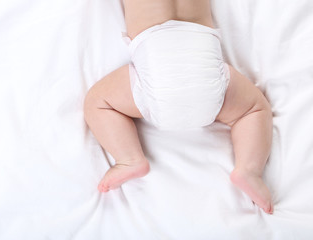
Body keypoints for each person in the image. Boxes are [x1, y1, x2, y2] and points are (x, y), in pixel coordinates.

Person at [84, 0, 274, 214]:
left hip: (158, 71)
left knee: (97, 102)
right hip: (204, 68)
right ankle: (249, 170)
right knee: (254, 109)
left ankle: (129, 159)